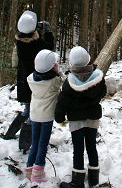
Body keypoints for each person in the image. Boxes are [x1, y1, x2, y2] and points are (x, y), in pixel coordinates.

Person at [55, 46, 107, 188]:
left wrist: (59, 117)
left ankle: (77, 181)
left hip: (76, 122)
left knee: (78, 150)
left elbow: (62, 102)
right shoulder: (98, 78)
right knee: (92, 147)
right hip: (93, 119)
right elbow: (103, 92)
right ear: (88, 60)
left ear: (72, 64)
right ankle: (94, 179)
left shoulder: (69, 82)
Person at [3, 10, 54, 152]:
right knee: (33, 112)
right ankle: (25, 144)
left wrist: (35, 29)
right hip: (34, 81)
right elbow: (49, 46)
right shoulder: (36, 44)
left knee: (27, 109)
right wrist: (48, 31)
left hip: (22, 80)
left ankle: (10, 133)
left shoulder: (19, 40)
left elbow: (28, 36)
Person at [25, 49, 63, 183]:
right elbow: (62, 79)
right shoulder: (54, 81)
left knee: (35, 143)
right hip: (46, 117)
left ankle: (29, 168)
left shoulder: (31, 79)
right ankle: (38, 174)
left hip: (34, 114)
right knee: (42, 144)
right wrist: (57, 70)